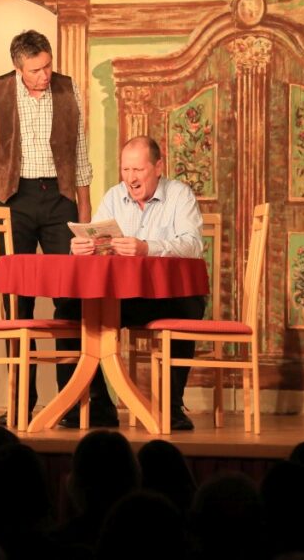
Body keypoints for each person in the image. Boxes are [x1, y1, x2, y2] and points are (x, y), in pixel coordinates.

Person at [0, 29, 93, 426]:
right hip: (13, 198)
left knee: (69, 297)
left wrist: (84, 215)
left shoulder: (68, 90)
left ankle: (69, 402)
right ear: (18, 67)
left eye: (48, 66)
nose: (44, 75)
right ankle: (21, 401)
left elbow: (81, 156)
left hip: (59, 198)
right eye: (36, 69)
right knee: (16, 301)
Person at [70, 135, 204, 430]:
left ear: (158, 167)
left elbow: (193, 245)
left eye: (138, 170)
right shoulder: (113, 197)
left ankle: (171, 407)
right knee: (70, 309)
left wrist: (147, 247)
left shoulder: (179, 195)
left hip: (166, 296)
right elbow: (96, 240)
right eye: (126, 170)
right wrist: (83, 247)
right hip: (124, 297)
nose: (130, 178)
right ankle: (97, 405)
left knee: (188, 307)